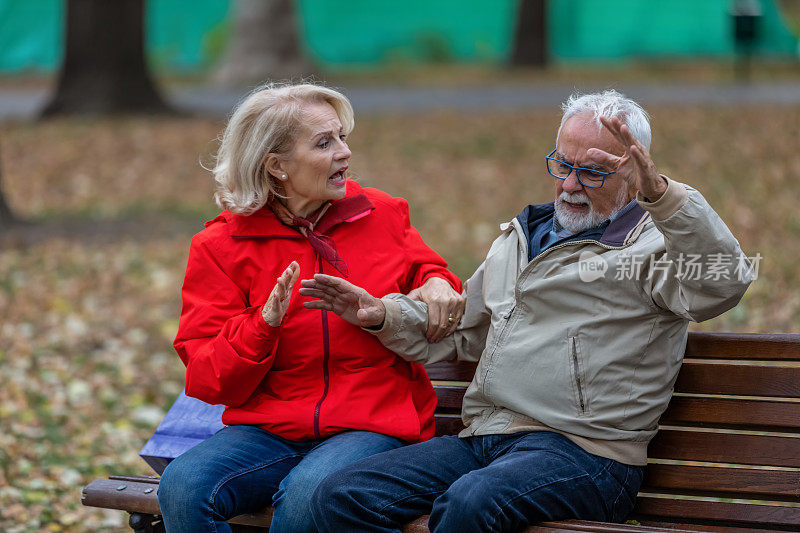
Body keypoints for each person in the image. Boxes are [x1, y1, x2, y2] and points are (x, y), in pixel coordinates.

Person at [304, 90, 755, 532]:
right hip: (486, 439)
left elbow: (723, 284)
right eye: (562, 165)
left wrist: (665, 198)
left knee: (470, 503)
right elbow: (461, 329)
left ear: (633, 176)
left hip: (586, 454)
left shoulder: (656, 248)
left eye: (593, 173)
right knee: (339, 496)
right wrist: (381, 314)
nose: (570, 185)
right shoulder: (521, 238)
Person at [157, 83, 465, 533]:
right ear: (276, 166)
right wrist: (262, 325)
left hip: (371, 424)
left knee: (308, 495)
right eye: (324, 143)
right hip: (271, 429)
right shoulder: (220, 246)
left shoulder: (381, 214)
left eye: (342, 137)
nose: (344, 153)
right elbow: (207, 377)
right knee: (182, 485)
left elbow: (429, 271)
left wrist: (438, 284)